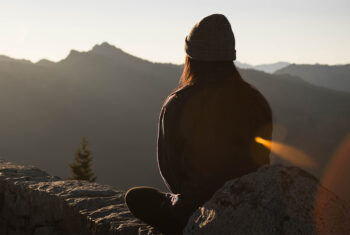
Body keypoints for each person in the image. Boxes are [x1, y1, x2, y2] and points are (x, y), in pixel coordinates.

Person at [125, 14, 273, 233]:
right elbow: (262, 161)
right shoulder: (255, 101)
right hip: (249, 205)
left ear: (190, 57)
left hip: (196, 211)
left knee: (136, 197)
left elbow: (171, 172)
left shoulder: (178, 103)